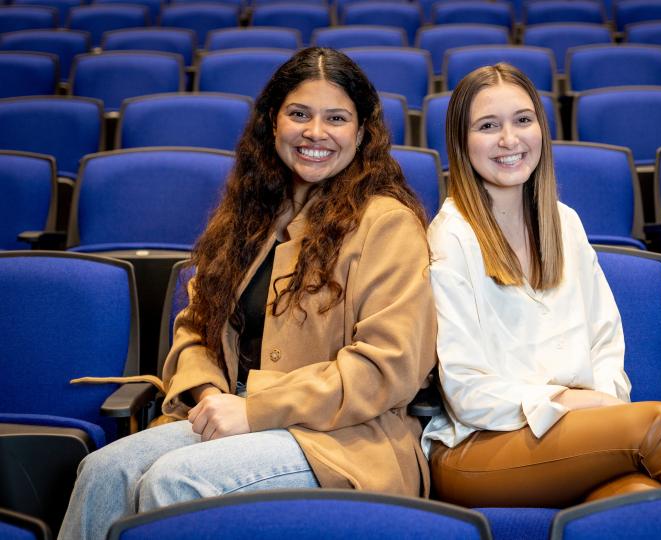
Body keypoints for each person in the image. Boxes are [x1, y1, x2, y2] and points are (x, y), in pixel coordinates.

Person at [59, 47, 437, 540]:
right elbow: (195, 325)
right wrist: (212, 394)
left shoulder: (388, 223)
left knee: (176, 484)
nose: (315, 133)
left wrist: (253, 409)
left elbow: (389, 368)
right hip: (234, 412)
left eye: (336, 118)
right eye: (298, 114)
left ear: (362, 132)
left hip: (342, 438)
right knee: (104, 470)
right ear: (272, 123)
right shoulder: (251, 213)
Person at [421, 63, 661, 508]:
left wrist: (601, 404)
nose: (509, 139)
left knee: (638, 499)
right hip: (478, 447)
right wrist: (575, 404)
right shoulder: (451, 236)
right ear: (462, 143)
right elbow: (467, 391)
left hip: (573, 437)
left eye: (523, 120)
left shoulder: (564, 222)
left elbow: (605, 340)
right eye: (488, 126)